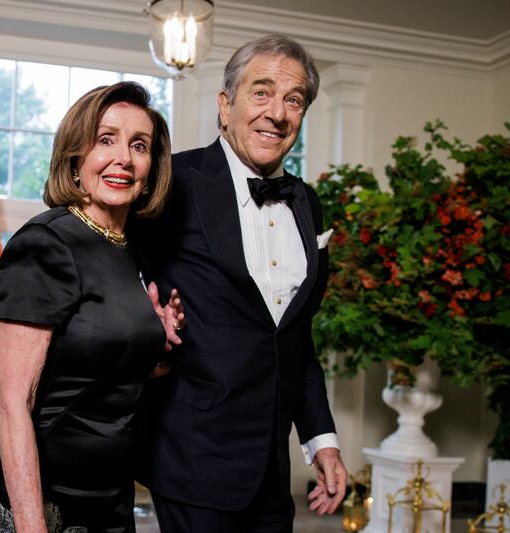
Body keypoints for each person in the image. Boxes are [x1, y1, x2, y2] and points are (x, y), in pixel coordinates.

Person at [132, 34, 348, 532]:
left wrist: (322, 441)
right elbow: (113, 268)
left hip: (272, 472)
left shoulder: (305, 202)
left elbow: (295, 337)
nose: (277, 112)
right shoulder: (174, 179)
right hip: (191, 455)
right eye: (262, 92)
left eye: (293, 100)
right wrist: (148, 328)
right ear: (225, 106)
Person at [0, 81, 183, 533]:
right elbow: (13, 401)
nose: (123, 158)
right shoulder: (44, 244)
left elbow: (100, 368)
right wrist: (32, 525)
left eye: (139, 145)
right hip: (46, 498)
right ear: (75, 157)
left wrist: (156, 345)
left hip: (110, 493)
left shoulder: (130, 248)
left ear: (152, 166)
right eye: (105, 140)